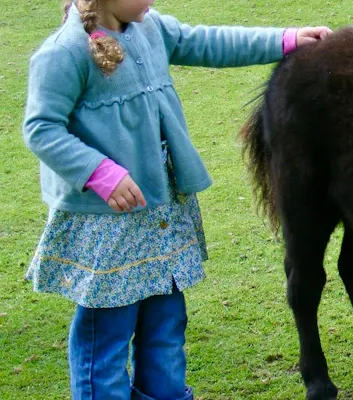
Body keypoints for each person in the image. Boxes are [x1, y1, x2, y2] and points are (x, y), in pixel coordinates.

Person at [22, 0, 332, 398]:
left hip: (161, 218)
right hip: (108, 228)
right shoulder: (64, 54)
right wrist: (99, 173)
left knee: (166, 326)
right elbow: (42, 127)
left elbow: (209, 42)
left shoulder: (150, 28)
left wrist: (286, 39)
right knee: (108, 335)